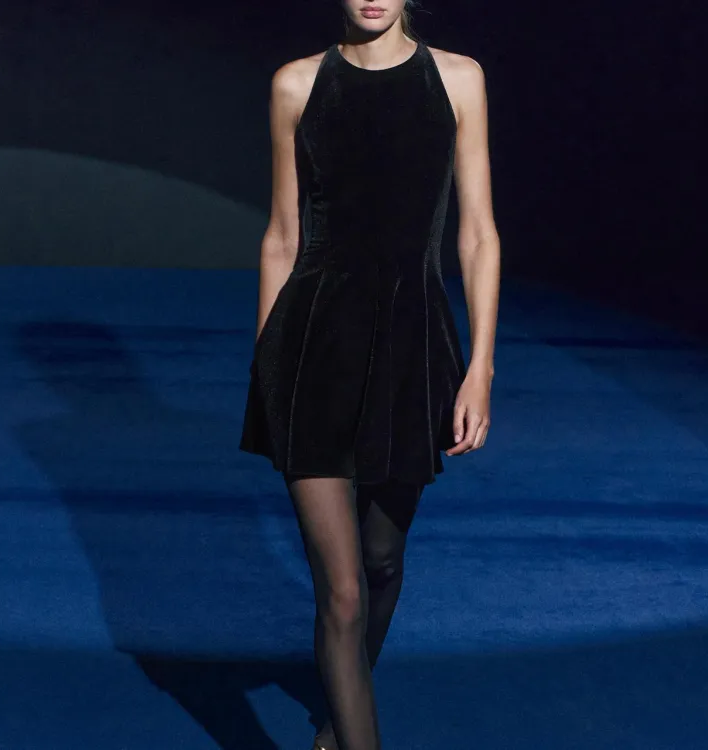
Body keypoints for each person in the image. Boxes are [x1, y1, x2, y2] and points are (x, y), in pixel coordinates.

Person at [239, 1, 500, 747]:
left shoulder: (458, 79)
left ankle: (332, 734)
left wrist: (480, 367)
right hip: (313, 349)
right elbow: (281, 235)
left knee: (383, 560)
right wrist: (267, 369)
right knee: (344, 593)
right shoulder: (296, 84)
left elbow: (477, 235)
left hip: (413, 348)